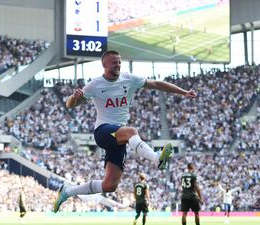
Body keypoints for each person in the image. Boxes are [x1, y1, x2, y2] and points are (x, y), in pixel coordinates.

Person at [53, 50, 197, 213]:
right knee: (131, 131)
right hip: (103, 131)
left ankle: (67, 191)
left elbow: (156, 84)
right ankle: (156, 159)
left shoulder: (128, 79)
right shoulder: (95, 84)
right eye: (114, 62)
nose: (118, 65)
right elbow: (70, 105)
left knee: (109, 185)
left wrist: (183, 92)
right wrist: (74, 97)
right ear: (105, 65)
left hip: (118, 136)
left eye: (119, 62)